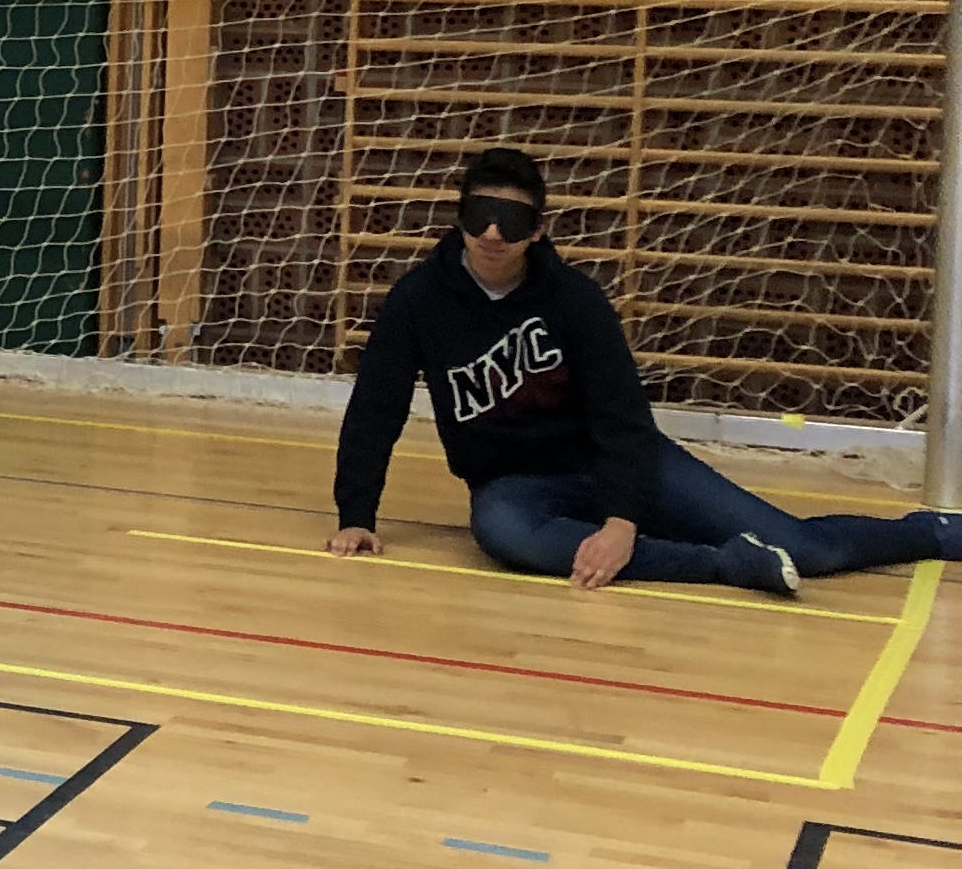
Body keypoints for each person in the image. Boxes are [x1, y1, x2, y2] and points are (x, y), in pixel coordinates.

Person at [327, 144, 962, 597]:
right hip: (517, 483)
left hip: (616, 461)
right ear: (459, 218)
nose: (493, 233)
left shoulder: (575, 300)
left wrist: (622, 521)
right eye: (478, 214)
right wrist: (357, 514)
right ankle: (726, 567)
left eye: (513, 219)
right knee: (504, 533)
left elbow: (623, 416)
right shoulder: (418, 300)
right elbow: (375, 406)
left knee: (805, 547)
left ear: (538, 232)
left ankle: (930, 533)